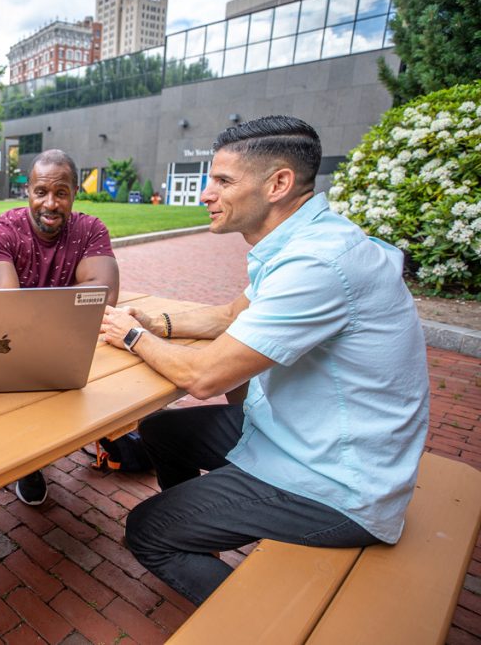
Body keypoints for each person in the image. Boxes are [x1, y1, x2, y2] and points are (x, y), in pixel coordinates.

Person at [101, 115, 429, 606]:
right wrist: (152, 323)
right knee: (162, 431)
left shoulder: (317, 264)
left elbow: (205, 377)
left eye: (223, 181)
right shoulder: (308, 240)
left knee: (146, 529)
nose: (205, 194)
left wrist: (128, 336)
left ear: (278, 184)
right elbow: (230, 317)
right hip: (300, 434)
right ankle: (197, 535)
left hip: (339, 483)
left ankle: (261, 624)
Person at [0, 149, 120, 506]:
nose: (51, 203)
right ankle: (29, 462)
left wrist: (37, 306)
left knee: (105, 378)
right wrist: (73, 302)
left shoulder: (91, 229)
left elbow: (105, 296)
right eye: (41, 191)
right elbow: (8, 312)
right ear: (27, 191)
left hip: (70, 343)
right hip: (14, 350)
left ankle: (93, 437)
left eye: (61, 193)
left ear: (74, 193)